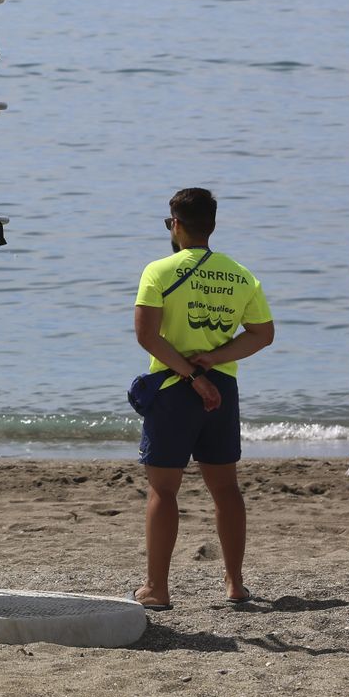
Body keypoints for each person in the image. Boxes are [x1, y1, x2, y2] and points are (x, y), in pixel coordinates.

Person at [131, 188, 275, 611]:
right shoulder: (240, 275)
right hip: (222, 388)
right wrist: (213, 360)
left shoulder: (159, 270)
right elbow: (262, 334)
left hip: (174, 388)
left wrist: (192, 373)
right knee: (226, 488)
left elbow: (147, 335)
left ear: (176, 224)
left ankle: (157, 588)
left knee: (163, 490)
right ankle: (234, 583)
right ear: (212, 225)